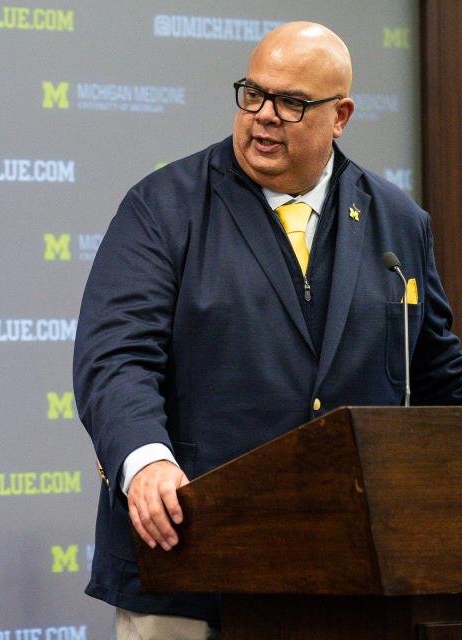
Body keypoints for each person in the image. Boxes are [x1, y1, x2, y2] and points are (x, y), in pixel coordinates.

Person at [73, 21, 462, 640]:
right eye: (252, 93)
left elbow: (439, 377)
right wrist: (145, 462)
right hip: (190, 559)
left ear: (341, 115)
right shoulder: (164, 206)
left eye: (291, 102)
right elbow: (116, 358)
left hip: (352, 576)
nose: (263, 117)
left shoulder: (398, 224)